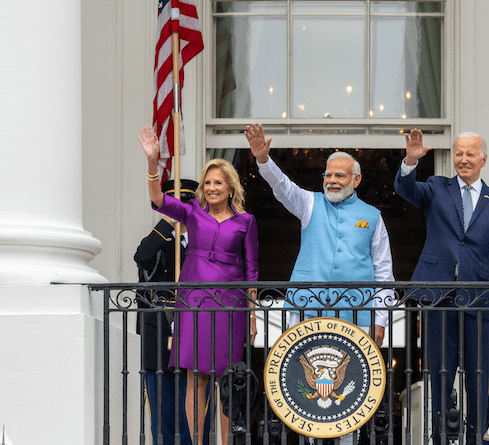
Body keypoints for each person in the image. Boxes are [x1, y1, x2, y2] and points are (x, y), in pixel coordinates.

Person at [245, 123, 394, 445]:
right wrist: (263, 160)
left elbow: (384, 273)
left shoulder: (372, 215)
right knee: (306, 389)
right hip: (307, 312)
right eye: (328, 175)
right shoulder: (310, 204)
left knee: (352, 388)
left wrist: (380, 320)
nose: (332, 180)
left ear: (356, 180)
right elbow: (282, 187)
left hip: (356, 316)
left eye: (340, 175)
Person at [393, 128, 489, 445]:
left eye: (470, 154)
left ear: (483, 159)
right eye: (458, 153)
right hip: (439, 296)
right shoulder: (437, 187)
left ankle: (477, 439)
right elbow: (405, 188)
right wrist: (411, 160)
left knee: (478, 376)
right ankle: (439, 439)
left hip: (479, 296)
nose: (463, 160)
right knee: (439, 374)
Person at [137, 126, 259, 445]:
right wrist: (153, 163)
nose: (212, 187)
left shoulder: (246, 222)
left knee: (226, 379)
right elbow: (156, 199)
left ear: (230, 187)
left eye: (218, 182)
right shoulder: (192, 214)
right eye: (208, 183)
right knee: (195, 377)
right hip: (193, 301)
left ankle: (224, 442)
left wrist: (252, 315)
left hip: (230, 303)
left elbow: (251, 270)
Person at [135, 179, 200, 445]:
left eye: (182, 205)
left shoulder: (199, 241)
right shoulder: (157, 240)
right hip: (159, 334)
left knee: (193, 410)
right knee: (162, 410)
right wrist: (166, 221)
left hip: (193, 332)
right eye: (173, 205)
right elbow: (142, 257)